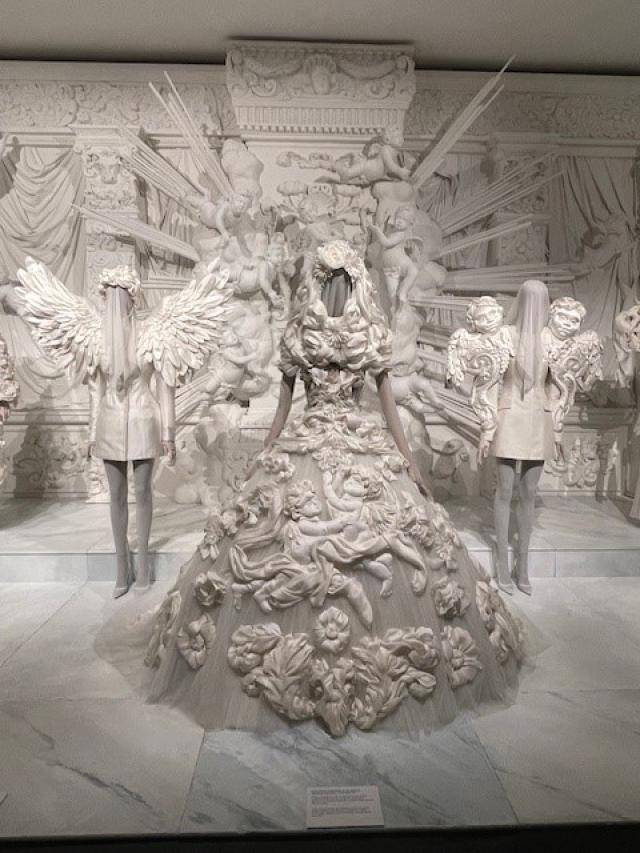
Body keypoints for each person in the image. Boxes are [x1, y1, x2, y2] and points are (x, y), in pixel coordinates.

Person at [139, 240, 524, 738]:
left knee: (295, 539)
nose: (335, 288)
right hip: (355, 445)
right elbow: (380, 411)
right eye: (336, 280)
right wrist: (407, 463)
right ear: (354, 280)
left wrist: (270, 453)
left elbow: (286, 413)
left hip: (311, 444)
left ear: (320, 281)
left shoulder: (307, 332)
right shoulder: (361, 333)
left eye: (331, 280)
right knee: (372, 542)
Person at [16, 259, 231, 599]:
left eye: (123, 294)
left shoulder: (152, 333)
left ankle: (142, 562)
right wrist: (91, 434)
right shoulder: (97, 339)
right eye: (112, 294)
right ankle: (121, 565)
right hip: (110, 422)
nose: (117, 301)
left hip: (144, 420)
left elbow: (166, 385)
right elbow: (95, 391)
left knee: (143, 493)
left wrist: (169, 433)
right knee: (116, 496)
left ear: (133, 297)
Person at [477, 280, 554, 596]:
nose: (535, 305)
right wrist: (487, 427)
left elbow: (557, 385)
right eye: (531, 298)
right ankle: (501, 562)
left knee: (529, 491)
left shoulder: (550, 339)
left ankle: (523, 565)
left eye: (541, 298)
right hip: (509, 416)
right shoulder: (505, 335)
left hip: (538, 418)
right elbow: (489, 381)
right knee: (505, 489)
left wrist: (558, 424)